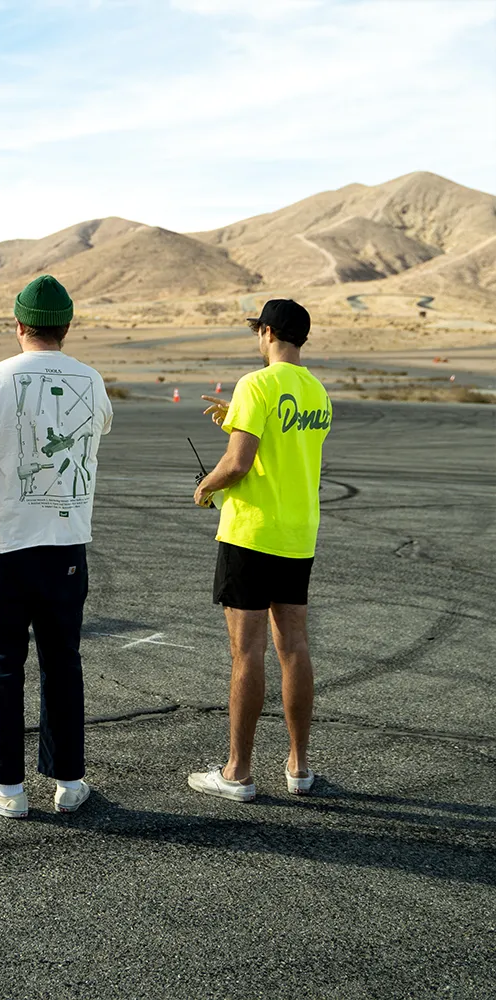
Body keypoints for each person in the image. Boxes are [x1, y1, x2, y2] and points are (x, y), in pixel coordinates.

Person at [0, 274, 113, 819]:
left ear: (18, 324)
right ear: (65, 327)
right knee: (63, 663)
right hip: (66, 549)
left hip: (4, 548)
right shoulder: (92, 381)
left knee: (2, 665)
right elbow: (93, 429)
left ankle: (7, 789)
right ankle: (69, 781)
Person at [189, 299, 331, 802]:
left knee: (246, 651)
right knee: (294, 647)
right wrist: (236, 419)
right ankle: (299, 766)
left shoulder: (257, 383)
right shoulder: (317, 391)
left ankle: (238, 772)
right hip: (298, 533)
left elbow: (240, 463)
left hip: (251, 533)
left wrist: (206, 485)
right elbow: (285, 445)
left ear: (267, 331)